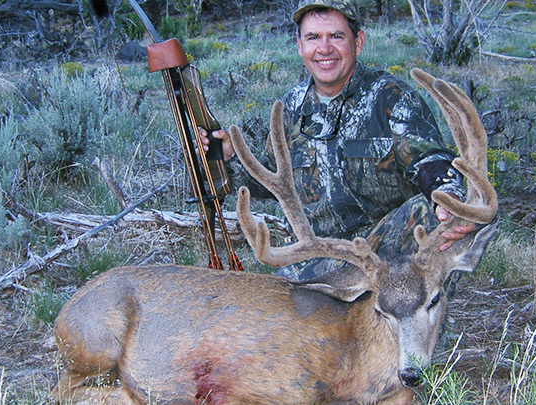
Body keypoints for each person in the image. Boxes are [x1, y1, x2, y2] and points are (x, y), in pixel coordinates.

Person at [200, 0, 474, 280]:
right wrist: (230, 155)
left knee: (428, 213)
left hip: (384, 250)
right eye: (313, 37)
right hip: (317, 256)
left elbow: (429, 158)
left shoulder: (391, 98)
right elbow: (269, 180)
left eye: (336, 36)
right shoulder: (290, 109)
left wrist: (446, 195)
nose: (324, 48)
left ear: (358, 42)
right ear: (299, 46)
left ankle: (410, 311)